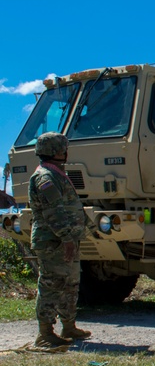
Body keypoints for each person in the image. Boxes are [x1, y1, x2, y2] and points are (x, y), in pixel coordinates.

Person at [27, 132, 92, 347]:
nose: (66, 152)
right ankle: (45, 333)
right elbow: (53, 211)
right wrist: (67, 238)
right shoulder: (45, 177)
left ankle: (69, 326)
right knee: (52, 284)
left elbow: (71, 207)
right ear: (56, 151)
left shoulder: (57, 174)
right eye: (63, 148)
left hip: (66, 239)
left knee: (71, 283)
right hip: (53, 241)